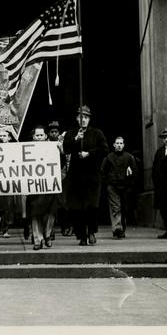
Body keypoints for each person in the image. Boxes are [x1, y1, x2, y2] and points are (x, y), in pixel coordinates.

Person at [62, 105, 109, 246]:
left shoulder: (97, 133)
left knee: (91, 207)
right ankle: (81, 235)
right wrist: (76, 139)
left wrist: (89, 154)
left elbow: (104, 150)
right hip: (76, 176)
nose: (84, 120)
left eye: (86, 117)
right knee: (77, 208)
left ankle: (91, 232)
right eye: (81, 117)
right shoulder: (71, 133)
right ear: (77, 118)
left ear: (89, 119)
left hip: (92, 176)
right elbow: (65, 149)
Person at [25, 125, 60, 249]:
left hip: (49, 185)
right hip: (34, 185)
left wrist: (60, 151)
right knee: (35, 213)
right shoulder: (27, 150)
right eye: (37, 135)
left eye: (41, 135)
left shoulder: (53, 147)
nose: (39, 137)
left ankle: (47, 235)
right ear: (34, 137)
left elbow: (59, 165)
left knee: (50, 213)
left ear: (45, 136)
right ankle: (37, 240)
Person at [101, 136, 137, 238]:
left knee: (124, 208)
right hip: (112, 186)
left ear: (124, 145)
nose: (119, 145)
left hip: (125, 186)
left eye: (121, 143)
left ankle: (121, 228)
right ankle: (117, 228)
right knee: (115, 207)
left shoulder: (129, 157)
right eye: (117, 143)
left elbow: (135, 172)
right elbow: (103, 171)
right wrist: (108, 183)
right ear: (114, 145)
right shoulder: (109, 157)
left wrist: (130, 184)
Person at [48, 120, 71, 236]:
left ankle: (65, 227)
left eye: (56, 132)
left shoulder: (63, 143)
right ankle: (50, 230)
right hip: (48, 177)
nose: (53, 134)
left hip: (62, 176)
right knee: (50, 204)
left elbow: (67, 159)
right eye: (51, 132)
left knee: (63, 203)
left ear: (59, 133)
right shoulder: (44, 144)